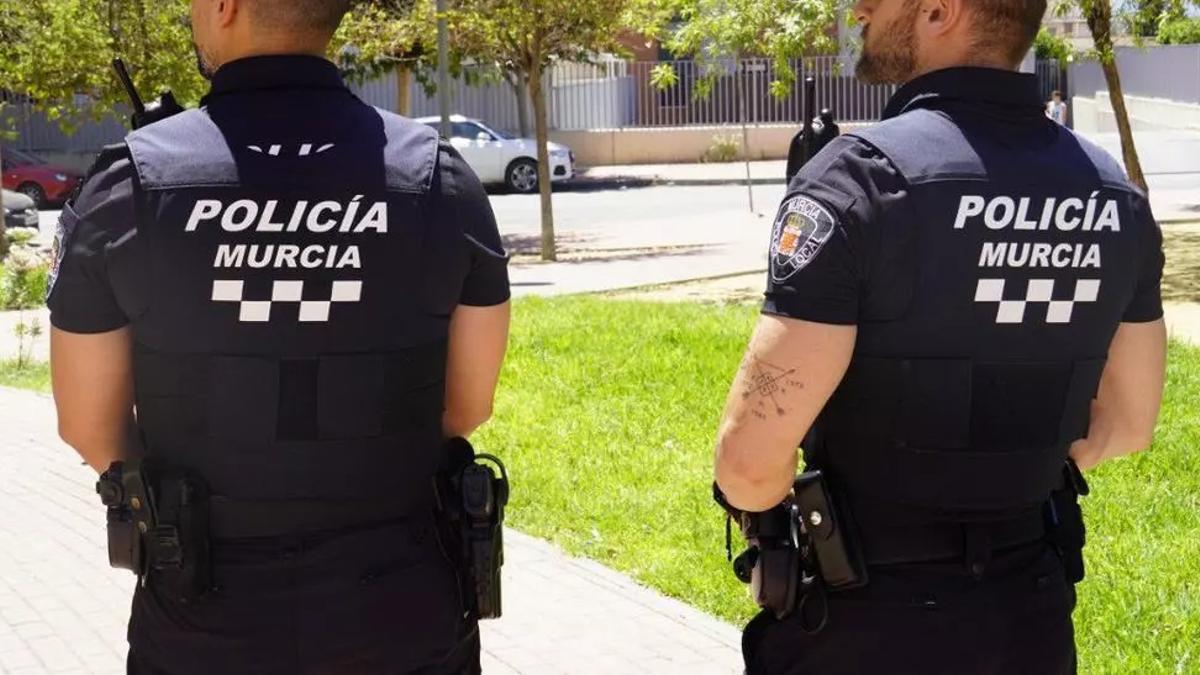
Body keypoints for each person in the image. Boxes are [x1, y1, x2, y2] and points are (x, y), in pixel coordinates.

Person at [46, 0, 511, 672]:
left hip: (201, 619)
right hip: (401, 616)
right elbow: (467, 407)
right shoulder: (440, 177)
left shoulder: (131, 184)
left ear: (224, 6)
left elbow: (88, 426)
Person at [713, 1, 1166, 673]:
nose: (859, 10)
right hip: (1028, 617)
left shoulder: (859, 179)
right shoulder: (1113, 195)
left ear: (938, 11)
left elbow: (750, 466)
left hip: (864, 623)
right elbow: (1128, 425)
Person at [785, 108, 841, 183]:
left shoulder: (834, 128)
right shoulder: (816, 127)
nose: (828, 124)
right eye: (825, 120)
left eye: (829, 121)